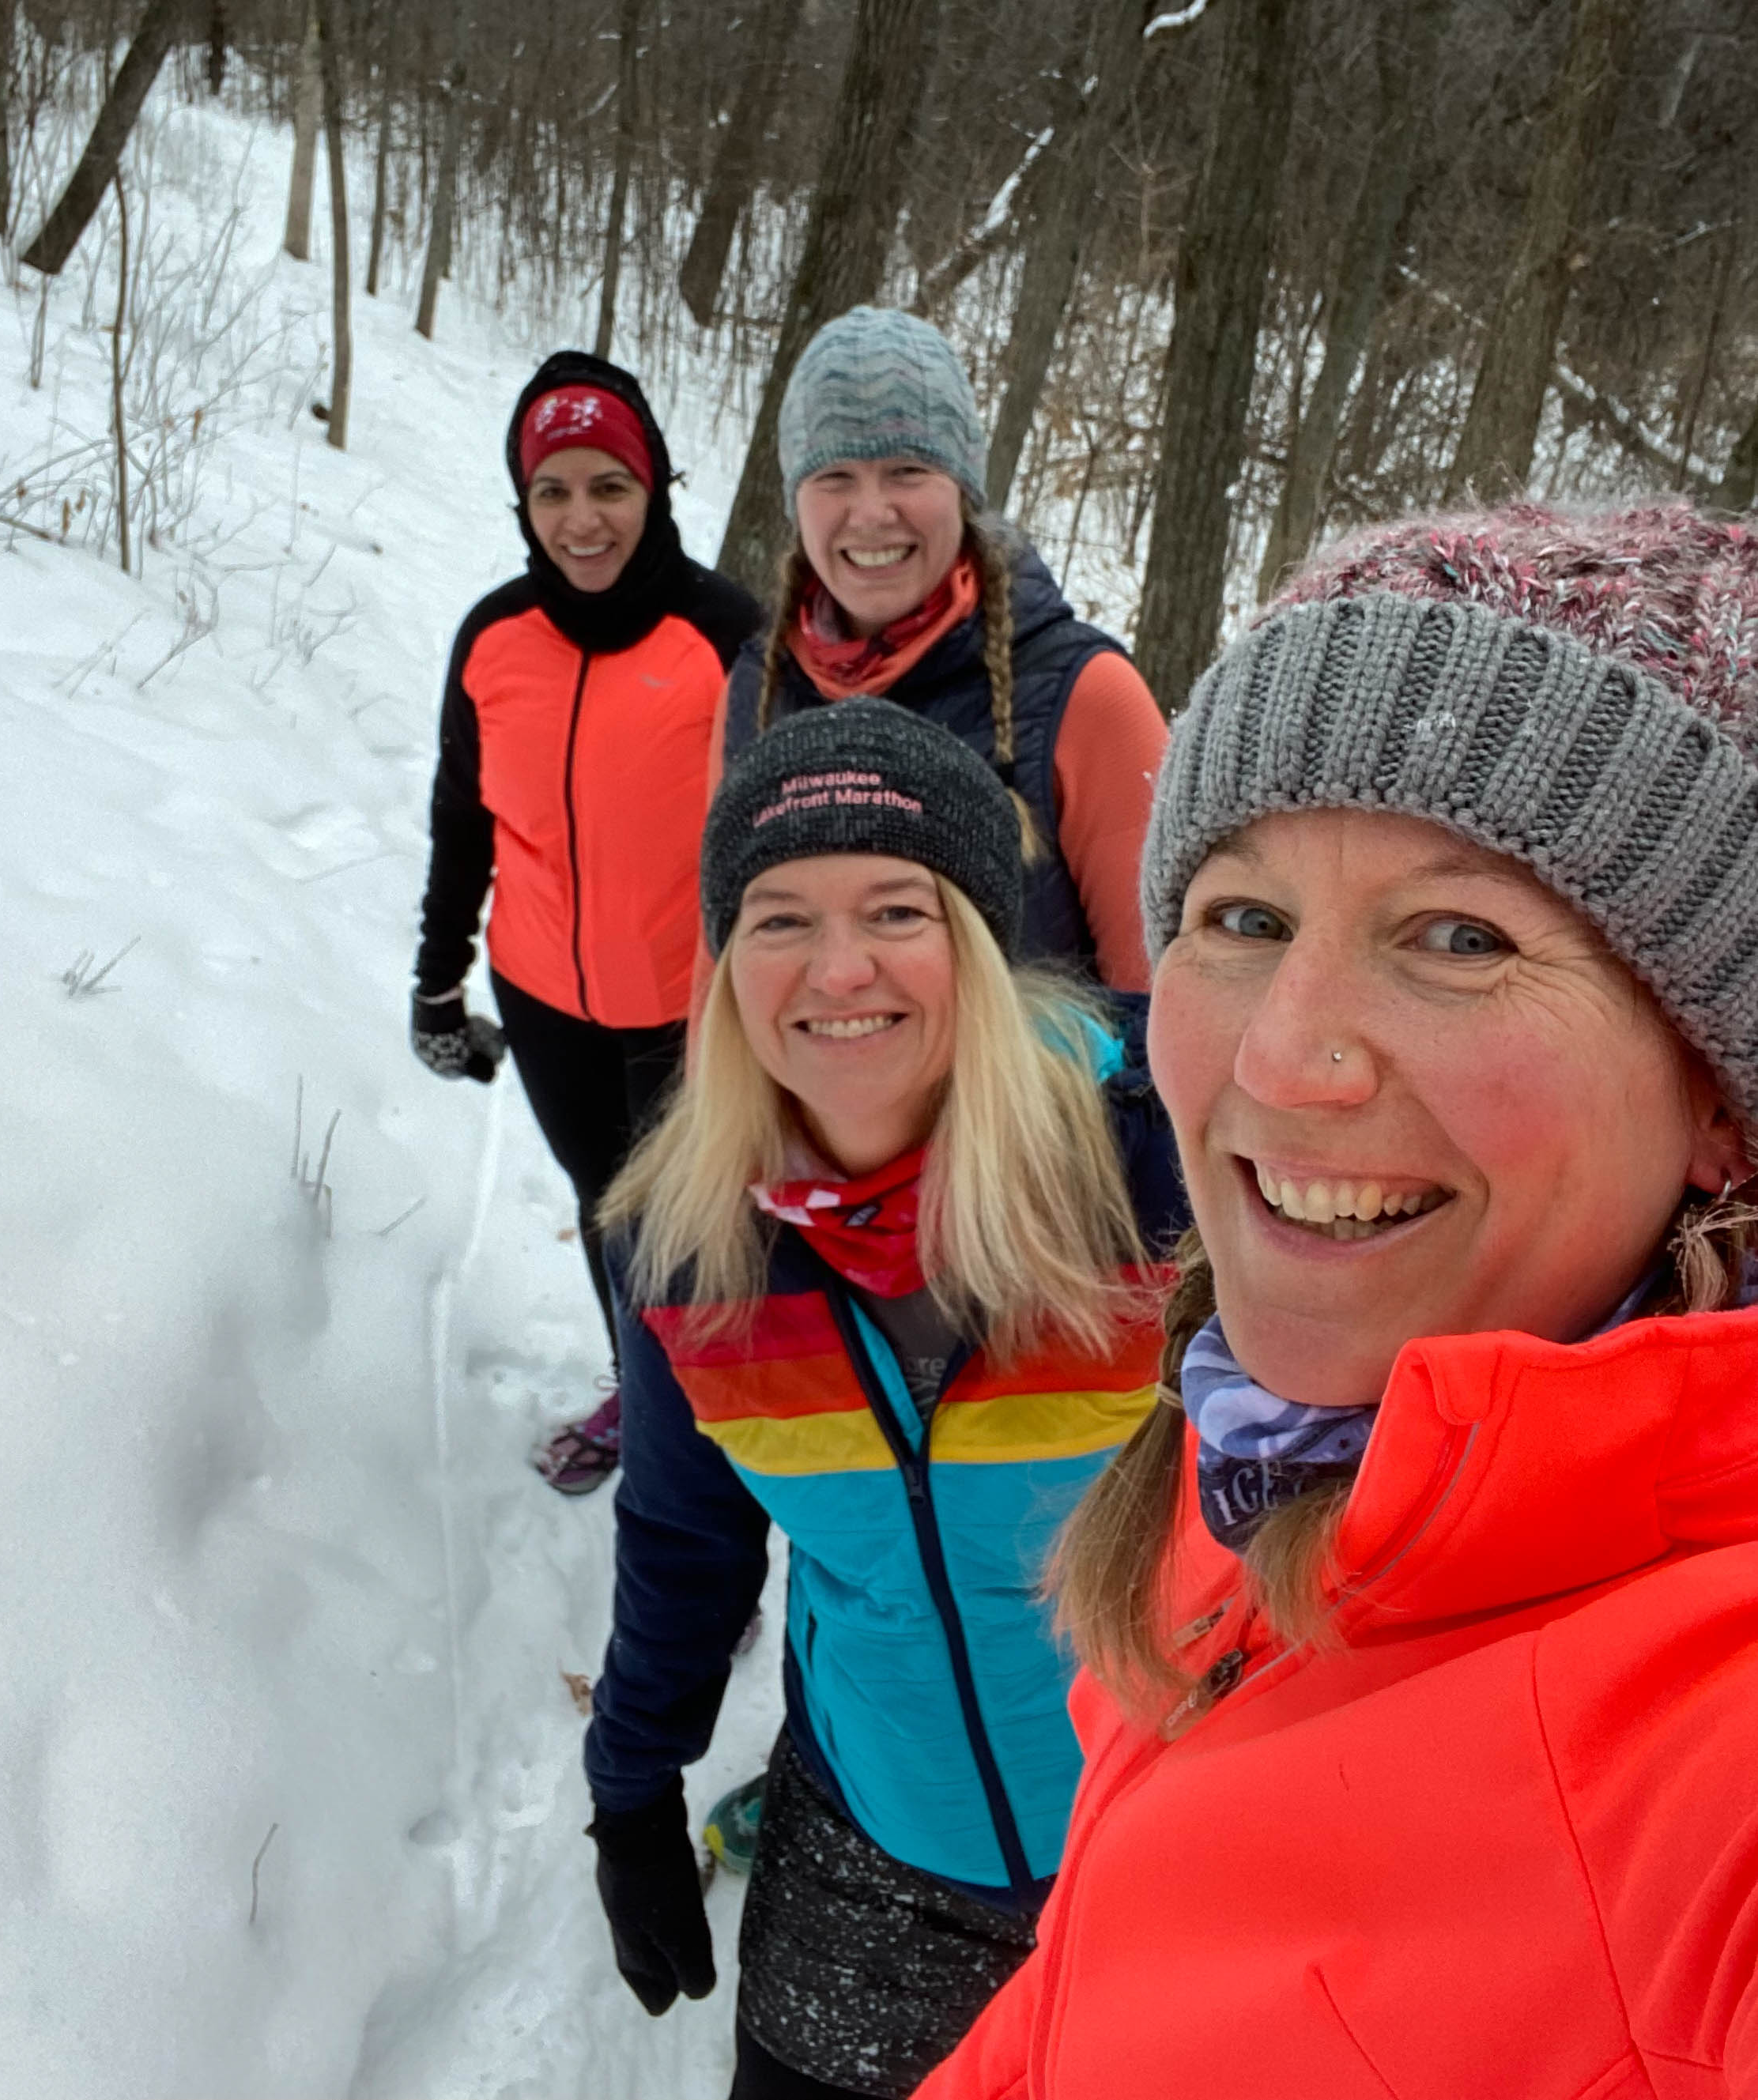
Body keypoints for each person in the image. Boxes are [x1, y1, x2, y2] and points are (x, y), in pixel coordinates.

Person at [919, 501, 1758, 2100]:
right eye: (1243, 917)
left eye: (1460, 936)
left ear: (1720, 1093)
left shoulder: (1713, 1751)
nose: (1283, 1055)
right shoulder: (1261, 1438)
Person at [583, 699, 1186, 2098]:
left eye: (895, 909)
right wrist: (629, 1794)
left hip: (1158, 1839)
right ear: (728, 963)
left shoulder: (1155, 1174)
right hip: (873, 1858)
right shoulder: (689, 1246)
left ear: (976, 939)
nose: (837, 966)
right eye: (780, 918)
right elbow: (683, 1546)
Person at [411, 349, 759, 1492]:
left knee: (695, 1250)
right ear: (523, 502)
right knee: (610, 1222)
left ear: (654, 485)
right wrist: (436, 982)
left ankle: (705, 1483)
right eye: (552, 490)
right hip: (544, 1001)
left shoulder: (727, 637)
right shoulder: (495, 640)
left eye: (608, 484)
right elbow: (464, 821)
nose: (582, 518)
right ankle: (649, 1407)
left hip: (692, 1016)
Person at [707, 304, 1168, 1000]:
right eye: (834, 477)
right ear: (796, 501)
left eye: (908, 470)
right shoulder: (757, 688)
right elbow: (715, 976)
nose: (870, 512)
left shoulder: (1086, 697)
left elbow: (1164, 1011)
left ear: (964, 489)